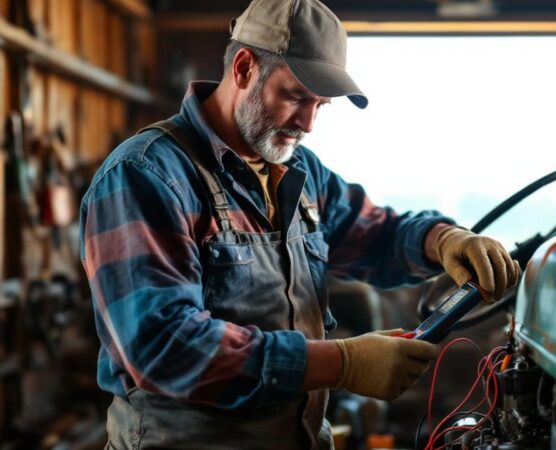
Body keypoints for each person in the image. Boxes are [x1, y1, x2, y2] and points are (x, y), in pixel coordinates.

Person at [79, 0, 519, 448]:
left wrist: (442, 240)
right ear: (245, 68)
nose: (307, 123)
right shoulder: (146, 175)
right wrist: (341, 363)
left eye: (321, 105)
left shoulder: (297, 171)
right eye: (295, 97)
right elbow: (163, 348)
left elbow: (375, 235)